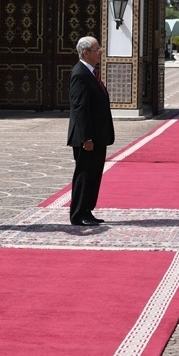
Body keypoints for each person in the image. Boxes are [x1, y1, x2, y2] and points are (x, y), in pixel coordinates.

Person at [67, 36, 115, 227]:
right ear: (86, 53)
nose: (100, 52)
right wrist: (86, 137)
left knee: (94, 174)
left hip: (98, 135)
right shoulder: (79, 74)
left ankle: (87, 210)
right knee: (84, 174)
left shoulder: (91, 72)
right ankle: (78, 213)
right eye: (97, 49)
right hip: (86, 137)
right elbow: (80, 109)